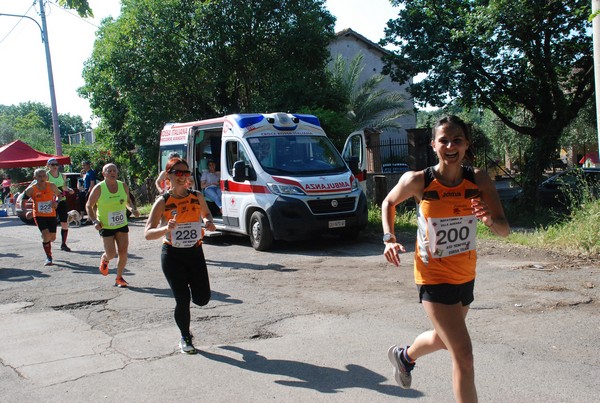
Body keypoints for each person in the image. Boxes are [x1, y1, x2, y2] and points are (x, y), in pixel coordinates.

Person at [381, 115, 510, 402]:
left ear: (466, 145)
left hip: (465, 274)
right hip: (432, 276)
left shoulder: (478, 179)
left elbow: (504, 230)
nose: (450, 145)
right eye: (444, 140)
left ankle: (405, 357)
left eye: (457, 140)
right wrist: (389, 238)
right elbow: (388, 202)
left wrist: (488, 219)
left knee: (445, 339)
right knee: (463, 355)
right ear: (433, 145)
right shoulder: (418, 181)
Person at [144, 157, 216, 354]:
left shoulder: (197, 196)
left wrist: (208, 222)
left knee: (202, 299)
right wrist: (166, 228)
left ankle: (187, 322)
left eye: (186, 173)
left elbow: (207, 214)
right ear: (168, 176)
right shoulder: (163, 201)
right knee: (182, 299)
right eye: (178, 173)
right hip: (172, 255)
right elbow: (148, 233)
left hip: (195, 252)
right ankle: (185, 336)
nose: (183, 176)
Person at [86, 163, 139, 287]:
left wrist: (132, 209)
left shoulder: (123, 185)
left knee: (123, 251)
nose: (112, 173)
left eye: (114, 170)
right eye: (109, 171)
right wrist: (94, 221)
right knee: (111, 254)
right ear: (104, 174)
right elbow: (89, 205)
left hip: (121, 223)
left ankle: (119, 277)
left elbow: (128, 201)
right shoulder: (99, 188)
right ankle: (104, 259)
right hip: (105, 225)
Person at [20, 169, 63, 266]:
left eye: (44, 176)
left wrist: (56, 201)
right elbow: (23, 201)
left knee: (52, 238)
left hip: (51, 215)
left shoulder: (51, 185)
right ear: (35, 178)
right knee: (46, 234)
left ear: (46, 177)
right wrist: (26, 211)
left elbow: (60, 195)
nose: (42, 178)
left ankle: (45, 239)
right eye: (39, 176)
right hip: (39, 215)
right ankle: (49, 257)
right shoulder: (31, 189)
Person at [46, 158, 75, 251]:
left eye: (56, 164)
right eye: (52, 164)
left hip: (62, 200)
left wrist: (69, 190)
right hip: (51, 202)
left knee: (64, 223)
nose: (55, 166)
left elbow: (64, 187)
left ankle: (63, 244)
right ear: (48, 166)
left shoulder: (62, 176)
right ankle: (48, 241)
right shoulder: (46, 176)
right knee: (51, 223)